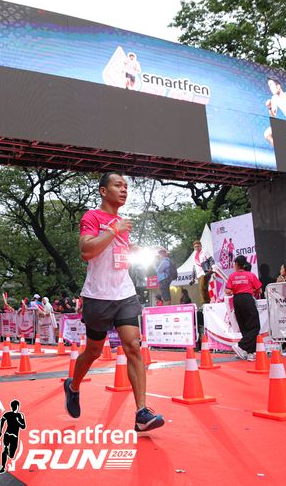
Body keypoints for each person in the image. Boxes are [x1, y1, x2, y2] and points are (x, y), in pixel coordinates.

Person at [63, 172, 164, 432]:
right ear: (103, 191)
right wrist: (113, 230)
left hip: (124, 294)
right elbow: (87, 251)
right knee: (93, 351)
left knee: (133, 346)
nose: (124, 190)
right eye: (118, 185)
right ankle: (73, 386)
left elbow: (114, 254)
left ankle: (141, 413)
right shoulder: (92, 217)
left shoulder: (121, 222)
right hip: (98, 296)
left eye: (126, 186)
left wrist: (129, 248)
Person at [224, 255, 262, 361]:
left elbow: (227, 291)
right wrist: (250, 290)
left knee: (244, 326)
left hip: (237, 300)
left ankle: (249, 353)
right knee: (254, 326)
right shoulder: (250, 275)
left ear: (236, 264)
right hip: (247, 299)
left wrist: (235, 289)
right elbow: (260, 290)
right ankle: (241, 346)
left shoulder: (232, 276)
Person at [0, 399, 26, 474]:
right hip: (11, 436)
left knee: (9, 453)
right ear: (17, 406)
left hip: (10, 436)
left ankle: (4, 461)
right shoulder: (14, 415)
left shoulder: (14, 415)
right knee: (8, 452)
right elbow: (23, 426)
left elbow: (2, 421)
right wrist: (0, 431)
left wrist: (0, 431)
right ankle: (3, 466)